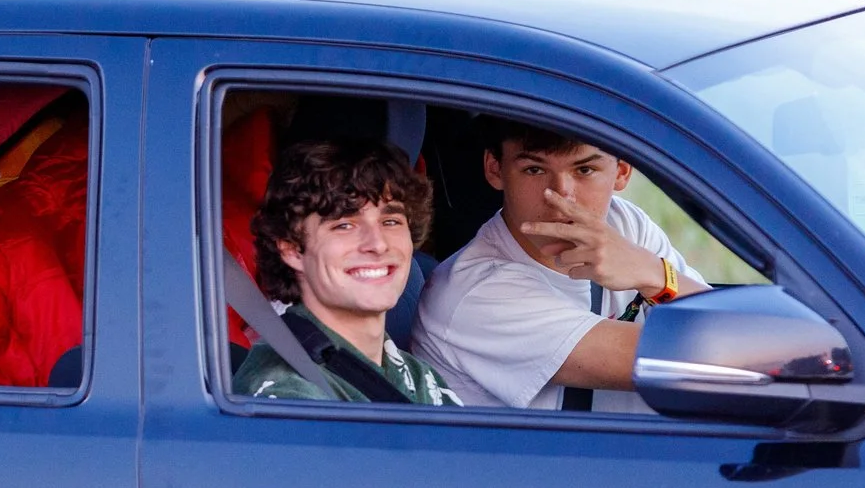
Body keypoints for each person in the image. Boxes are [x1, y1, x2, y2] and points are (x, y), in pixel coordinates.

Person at [412, 116, 707, 412]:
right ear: (495, 169)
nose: (560, 196)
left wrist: (653, 272)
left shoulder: (625, 224)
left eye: (585, 170)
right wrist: (653, 272)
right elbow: (710, 358)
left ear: (622, 171)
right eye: (535, 170)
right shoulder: (476, 294)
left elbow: (724, 321)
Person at [232, 139, 462, 407]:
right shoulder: (286, 395)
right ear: (293, 249)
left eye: (391, 221)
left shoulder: (418, 376)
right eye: (344, 225)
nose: (377, 243)